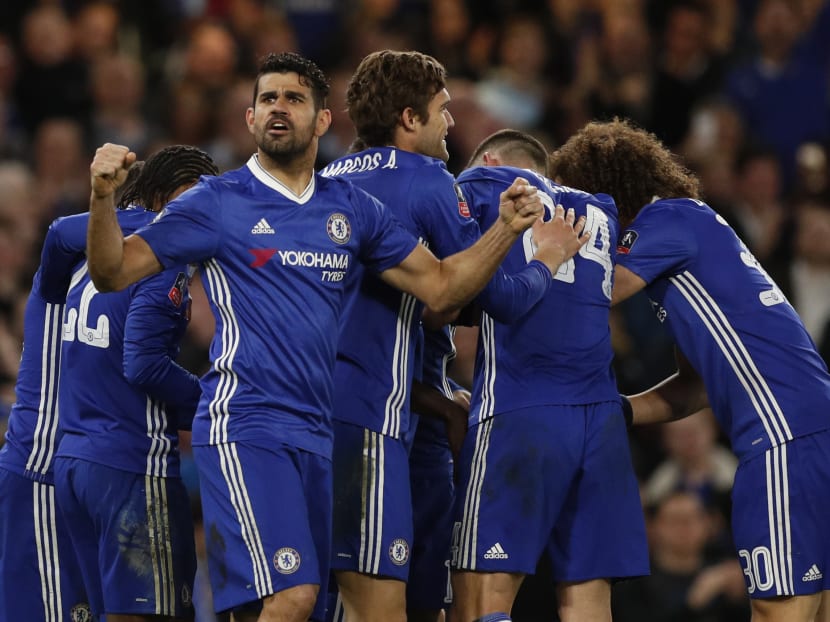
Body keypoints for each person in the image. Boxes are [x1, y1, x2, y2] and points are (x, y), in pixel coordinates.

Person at [84, 52, 589, 622]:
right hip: (247, 425)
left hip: (319, 435)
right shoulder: (217, 201)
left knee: (295, 608)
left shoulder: (351, 207)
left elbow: (443, 286)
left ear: (323, 120)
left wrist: (505, 230)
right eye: (268, 99)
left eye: (294, 99)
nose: (279, 108)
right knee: (296, 597)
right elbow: (112, 271)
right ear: (250, 118)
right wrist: (102, 198)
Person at [318, 50, 571, 622]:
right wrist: (547, 258)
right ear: (409, 119)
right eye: (442, 109)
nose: (451, 122)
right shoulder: (426, 180)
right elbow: (499, 299)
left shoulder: (325, 179)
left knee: (323, 597)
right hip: (370, 414)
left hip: (305, 411)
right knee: (382, 606)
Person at [548, 117, 830, 622]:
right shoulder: (688, 234)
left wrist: (528, 265)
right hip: (807, 429)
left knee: (779, 611)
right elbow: (695, 388)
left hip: (781, 437)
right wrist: (619, 410)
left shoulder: (665, 222)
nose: (572, 215)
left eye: (574, 200)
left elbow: (593, 295)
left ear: (603, 193)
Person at [449, 128, 649, 622]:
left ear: (491, 161)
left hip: (521, 409)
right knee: (588, 602)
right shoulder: (600, 209)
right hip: (600, 421)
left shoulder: (486, 183)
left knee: (482, 599)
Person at [53, 144, 219, 622]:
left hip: (76, 461)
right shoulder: (160, 259)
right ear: (161, 198)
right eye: (194, 200)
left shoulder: (92, 258)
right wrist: (214, 403)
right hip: (131, 465)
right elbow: (143, 364)